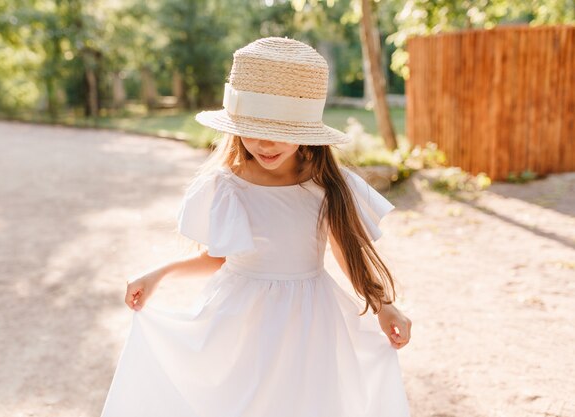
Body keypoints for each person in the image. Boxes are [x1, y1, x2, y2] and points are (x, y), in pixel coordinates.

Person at [100, 36, 412, 417]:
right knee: (238, 401)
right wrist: (158, 274)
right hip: (240, 317)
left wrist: (382, 306)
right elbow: (216, 257)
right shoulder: (227, 185)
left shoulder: (326, 184)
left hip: (309, 317)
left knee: (302, 401)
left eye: (281, 129)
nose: (265, 142)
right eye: (252, 127)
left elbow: (346, 250)